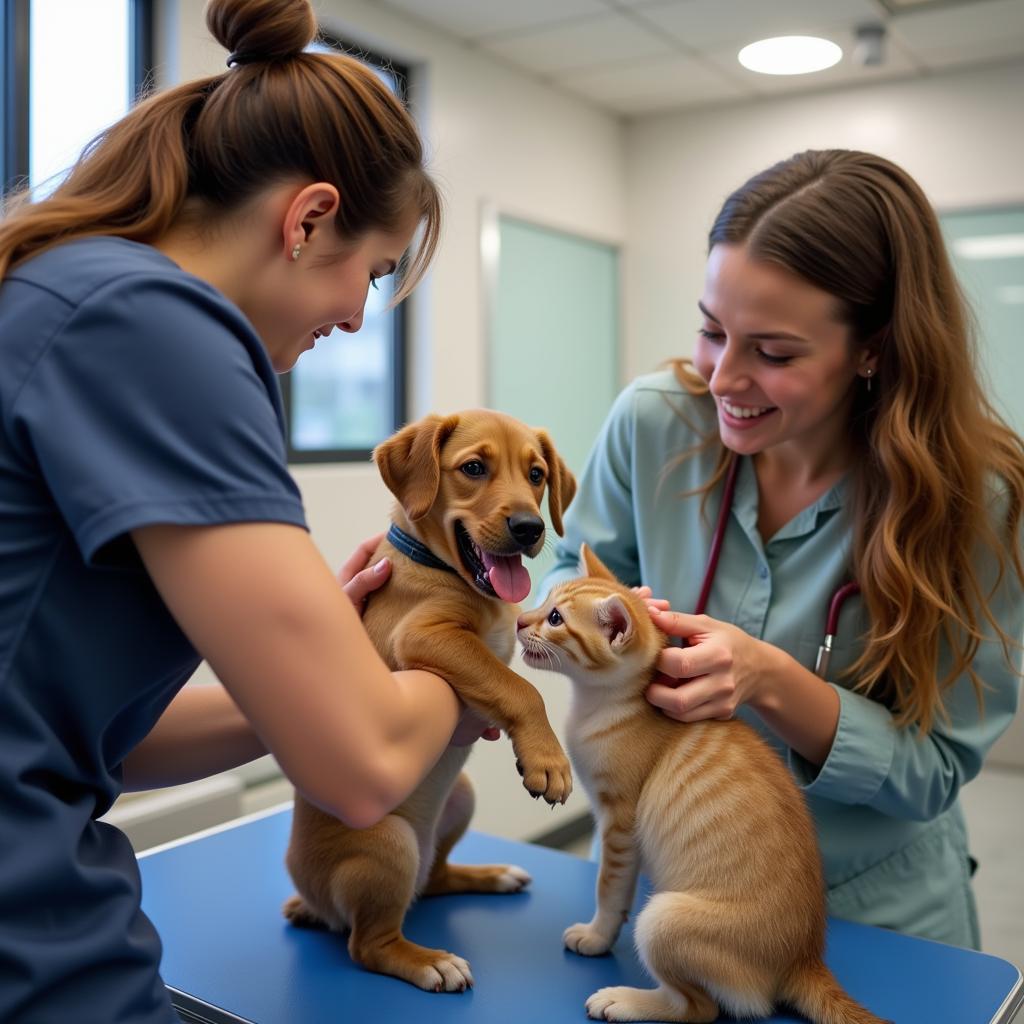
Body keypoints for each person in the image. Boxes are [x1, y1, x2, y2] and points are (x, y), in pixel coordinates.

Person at [0, 0, 493, 1020]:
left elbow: (97, 740)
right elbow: (364, 772)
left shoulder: (63, 289)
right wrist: (481, 663)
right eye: (372, 270)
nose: (360, 313)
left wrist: (296, 695)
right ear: (308, 218)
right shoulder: (153, 323)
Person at [544, 149, 1024, 950]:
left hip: (868, 918)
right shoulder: (655, 423)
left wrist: (769, 680)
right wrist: (621, 624)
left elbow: (936, 770)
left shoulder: (977, 500)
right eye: (710, 329)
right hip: (664, 891)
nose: (724, 377)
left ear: (873, 348)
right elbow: (575, 567)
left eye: (773, 353)